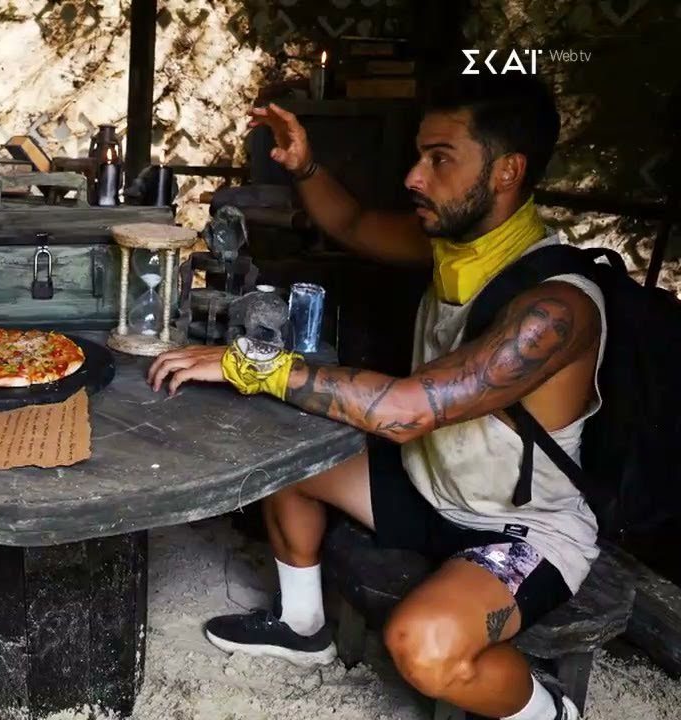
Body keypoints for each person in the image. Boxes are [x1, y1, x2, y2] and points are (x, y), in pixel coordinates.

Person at [148, 74, 598, 720]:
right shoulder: (453, 248)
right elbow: (352, 223)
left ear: (507, 171)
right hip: (431, 485)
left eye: (439, 159)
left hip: (520, 527)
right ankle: (303, 625)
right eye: (419, 155)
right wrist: (305, 166)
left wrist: (250, 364)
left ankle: (549, 712)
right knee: (284, 456)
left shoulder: (555, 309)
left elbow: (406, 412)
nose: (414, 176)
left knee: (424, 649)